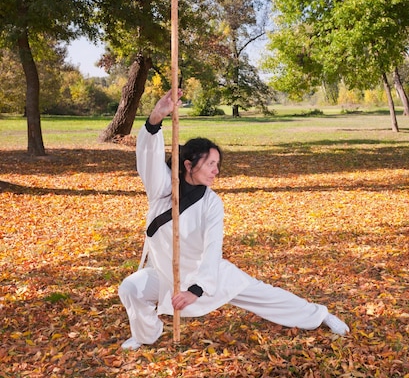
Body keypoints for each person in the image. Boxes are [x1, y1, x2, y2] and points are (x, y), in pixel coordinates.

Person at [118, 90, 349, 350]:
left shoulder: (211, 203)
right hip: (165, 274)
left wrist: (196, 289)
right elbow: (148, 158)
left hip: (207, 275)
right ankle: (146, 335)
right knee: (131, 288)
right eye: (211, 164)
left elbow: (212, 249)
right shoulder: (162, 186)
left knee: (265, 295)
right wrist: (156, 117)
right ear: (188, 164)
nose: (217, 171)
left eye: (218, 165)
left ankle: (320, 315)